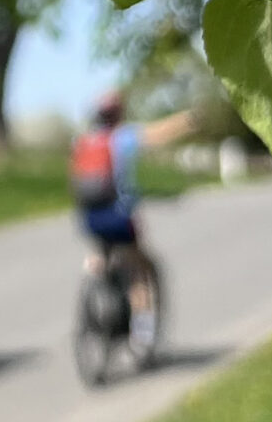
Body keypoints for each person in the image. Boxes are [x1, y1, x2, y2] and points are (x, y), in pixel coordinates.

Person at [69, 92, 194, 345]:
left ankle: (94, 278)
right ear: (119, 113)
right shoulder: (122, 137)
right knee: (139, 269)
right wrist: (189, 119)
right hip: (118, 216)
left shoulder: (84, 141)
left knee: (103, 255)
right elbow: (159, 133)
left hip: (90, 217)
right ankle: (143, 334)